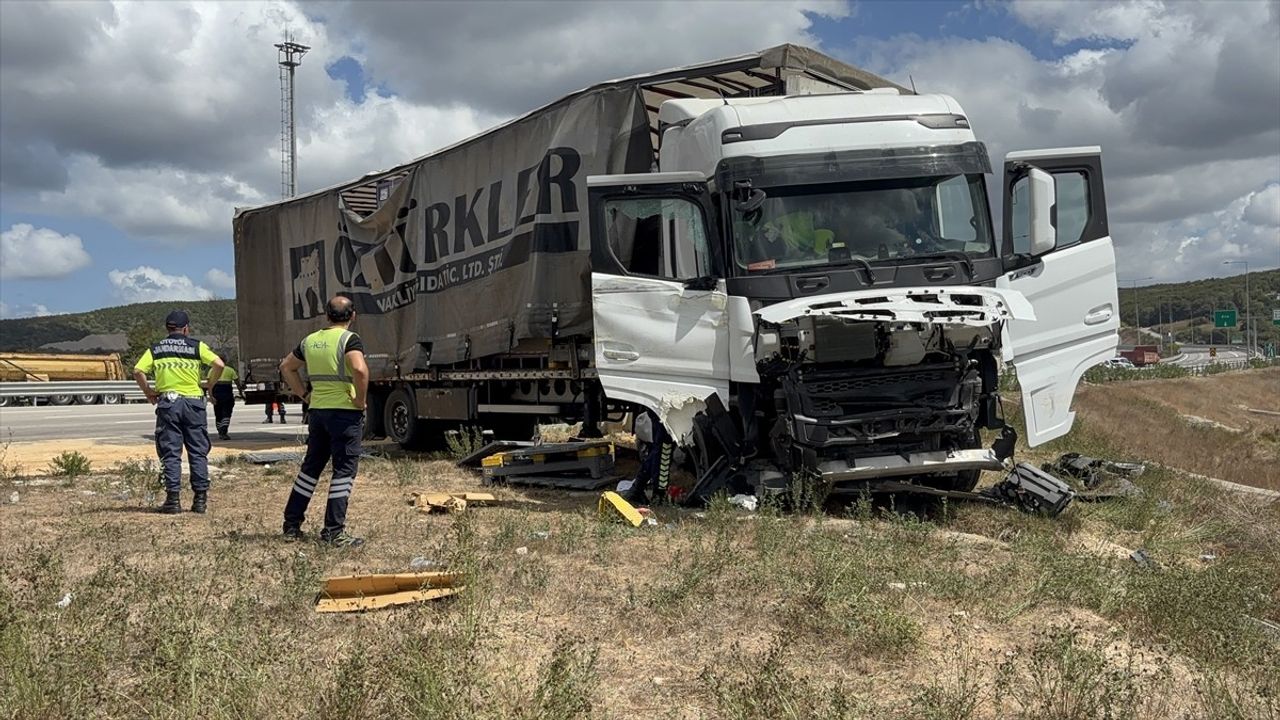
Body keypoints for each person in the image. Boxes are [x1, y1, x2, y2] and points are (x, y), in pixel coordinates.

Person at [278, 295, 369, 547]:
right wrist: (360, 401)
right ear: (352, 316)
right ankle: (333, 531)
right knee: (343, 472)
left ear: (326, 316)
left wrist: (305, 395)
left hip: (318, 412)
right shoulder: (349, 339)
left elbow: (286, 366)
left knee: (311, 468)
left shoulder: (310, 341)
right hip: (344, 413)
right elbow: (360, 370)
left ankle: (291, 524)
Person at [131, 310, 224, 514]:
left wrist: (148, 392)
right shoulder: (196, 346)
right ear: (186, 328)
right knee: (198, 452)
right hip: (194, 403)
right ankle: (200, 500)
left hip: (169, 404)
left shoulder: (156, 349)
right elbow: (219, 364)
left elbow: (138, 370)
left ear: (168, 328)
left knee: (171, 453)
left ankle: (173, 500)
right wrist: (210, 384)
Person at [210, 359, 239, 440]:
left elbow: (209, 383)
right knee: (226, 413)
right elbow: (237, 381)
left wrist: (211, 395)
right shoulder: (230, 370)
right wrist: (240, 390)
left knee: (218, 413)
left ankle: (220, 430)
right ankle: (223, 431)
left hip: (216, 392)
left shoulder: (212, 370)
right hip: (227, 393)